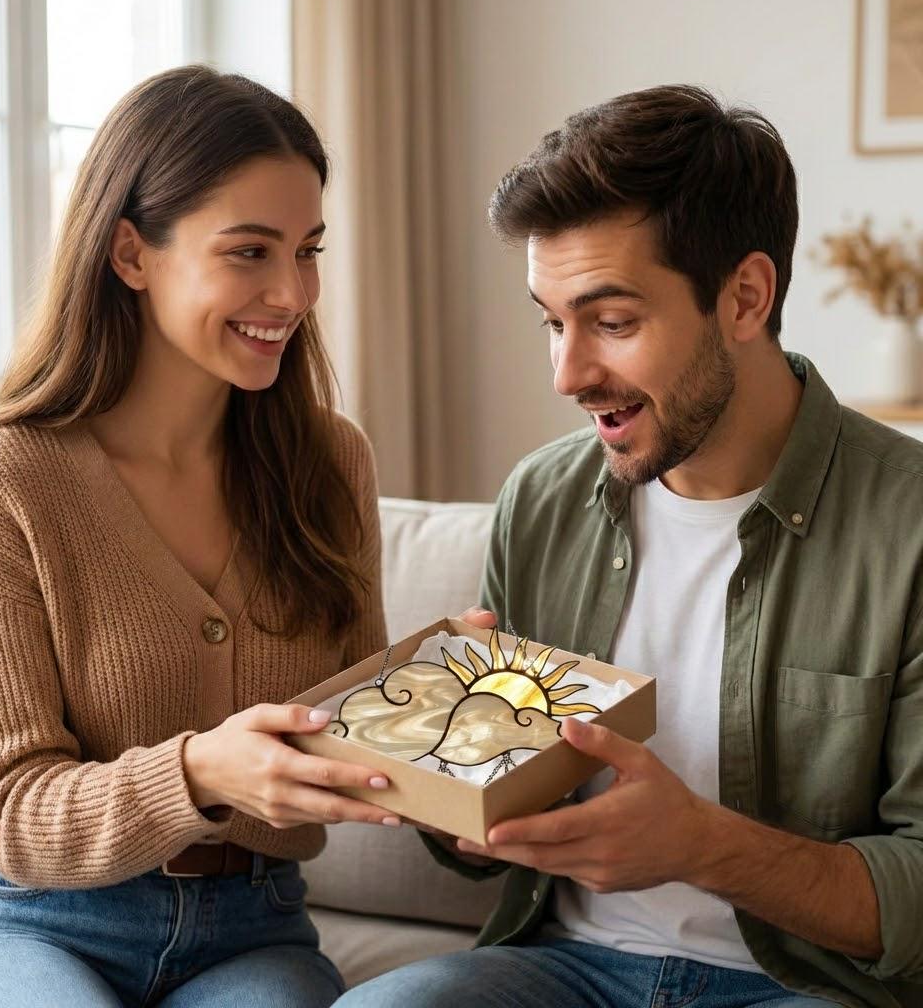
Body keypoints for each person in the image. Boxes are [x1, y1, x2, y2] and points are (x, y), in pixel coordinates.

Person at [336, 86, 923, 1007]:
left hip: (804, 986)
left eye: (612, 323)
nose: (568, 374)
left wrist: (701, 844)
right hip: (558, 965)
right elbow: (487, 851)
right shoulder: (541, 498)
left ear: (745, 296)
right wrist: (452, 771)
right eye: (551, 321)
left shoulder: (910, 527)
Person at [0, 66, 401, 1008]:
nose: (292, 293)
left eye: (308, 250)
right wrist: (201, 769)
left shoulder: (332, 464)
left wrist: (452, 701)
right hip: (29, 921)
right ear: (132, 254)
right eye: (249, 251)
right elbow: (8, 807)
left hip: (253, 931)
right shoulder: (4, 478)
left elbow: (349, 737)